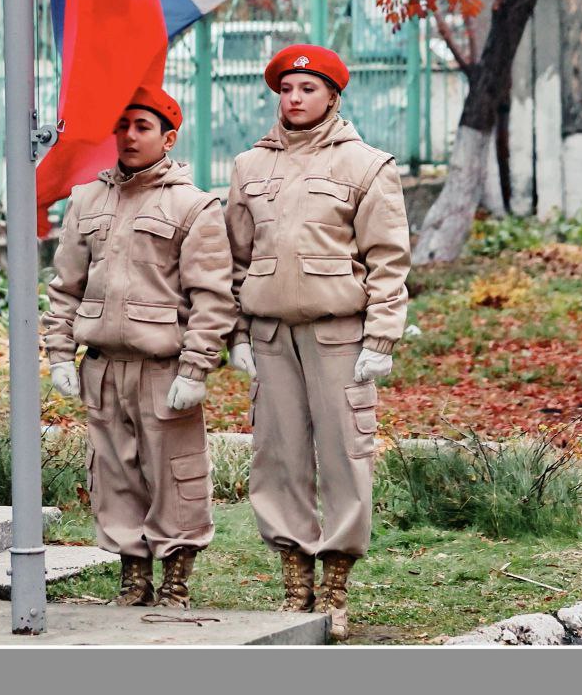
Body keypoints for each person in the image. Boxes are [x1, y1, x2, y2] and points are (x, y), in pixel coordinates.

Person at [225, 44, 411, 640]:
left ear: (334, 96)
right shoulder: (249, 168)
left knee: (344, 456)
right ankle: (294, 577)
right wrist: (236, 333)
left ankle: (335, 581)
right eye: (286, 89)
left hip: (339, 337)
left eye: (308, 89)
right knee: (277, 458)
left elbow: (388, 260)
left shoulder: (367, 166)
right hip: (271, 334)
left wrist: (380, 337)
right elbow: (231, 258)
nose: (295, 99)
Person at [43, 86, 236, 609]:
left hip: (163, 368)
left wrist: (195, 370)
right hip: (103, 369)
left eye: (142, 127)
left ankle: (175, 580)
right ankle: (134, 577)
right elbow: (65, 287)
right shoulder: (87, 199)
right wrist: (60, 354)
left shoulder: (193, 206)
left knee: (175, 475)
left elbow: (212, 297)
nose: (128, 135)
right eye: (122, 125)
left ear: (168, 138)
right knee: (115, 475)